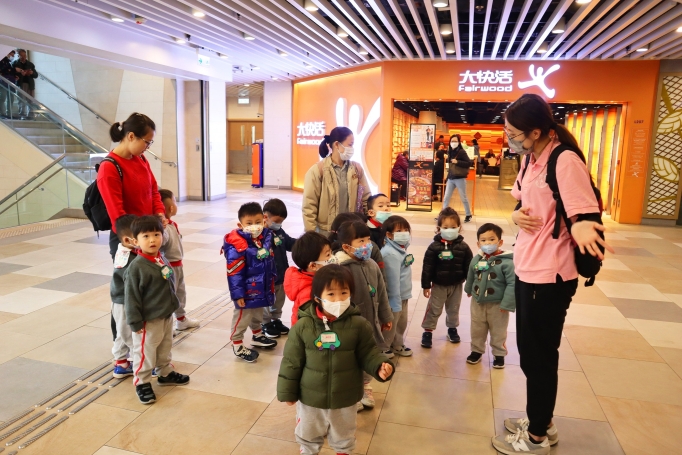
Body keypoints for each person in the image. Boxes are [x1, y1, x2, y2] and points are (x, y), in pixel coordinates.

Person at [491, 94, 613, 455]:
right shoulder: (531, 157)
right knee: (530, 353)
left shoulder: (565, 160)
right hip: (528, 266)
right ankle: (541, 419)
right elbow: (521, 199)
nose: (509, 139)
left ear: (536, 131)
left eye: (513, 133)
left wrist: (583, 227)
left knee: (539, 357)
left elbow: (584, 213)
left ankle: (537, 437)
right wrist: (514, 216)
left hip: (550, 275)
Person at [277, 265, 395, 455]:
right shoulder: (303, 326)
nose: (338, 299)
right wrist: (287, 391)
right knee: (308, 431)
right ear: (317, 297)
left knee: (344, 433)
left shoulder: (359, 325)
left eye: (344, 293)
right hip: (310, 396)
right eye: (331, 294)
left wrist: (380, 365)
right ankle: (308, 451)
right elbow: (291, 362)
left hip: (345, 395)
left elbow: (369, 352)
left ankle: (343, 451)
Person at [99, 113, 166, 343]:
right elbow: (118, 215)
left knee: (148, 290)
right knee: (126, 293)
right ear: (130, 136)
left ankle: (144, 342)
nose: (148, 147)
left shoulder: (141, 159)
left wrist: (159, 213)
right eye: (147, 141)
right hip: (127, 239)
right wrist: (136, 242)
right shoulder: (110, 167)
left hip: (146, 235)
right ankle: (121, 348)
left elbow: (153, 190)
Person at [124, 216, 190, 405]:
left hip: (165, 315)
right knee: (145, 352)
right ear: (136, 241)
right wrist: (135, 322)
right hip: (148, 320)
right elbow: (131, 297)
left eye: (156, 234)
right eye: (146, 236)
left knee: (164, 347)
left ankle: (165, 372)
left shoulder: (161, 258)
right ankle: (142, 382)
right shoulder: (137, 267)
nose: (152, 240)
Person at [334, 220, 392, 411]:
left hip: (370, 322)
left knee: (369, 354)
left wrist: (386, 316)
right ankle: (352, 392)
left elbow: (381, 292)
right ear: (346, 246)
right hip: (349, 325)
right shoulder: (340, 268)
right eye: (361, 241)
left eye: (368, 239)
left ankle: (365, 386)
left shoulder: (372, 264)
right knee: (351, 358)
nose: (367, 245)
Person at [223, 202, 278, 363]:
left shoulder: (265, 237)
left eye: (258, 222)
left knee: (258, 311)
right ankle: (237, 343)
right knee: (243, 316)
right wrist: (238, 294)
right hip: (245, 291)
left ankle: (257, 334)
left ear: (264, 220)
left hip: (261, 286)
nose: (254, 226)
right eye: (249, 223)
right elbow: (234, 272)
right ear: (240, 225)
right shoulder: (237, 244)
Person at [302, 126, 371, 236]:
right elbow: (309, 206)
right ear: (337, 145)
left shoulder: (357, 169)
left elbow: (366, 198)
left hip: (351, 231)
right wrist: (312, 234)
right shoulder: (317, 170)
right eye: (350, 145)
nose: (352, 148)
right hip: (326, 232)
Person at [464, 223, 515, 369]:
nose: (487, 243)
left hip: (498, 305)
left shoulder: (507, 263)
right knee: (477, 328)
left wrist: (507, 303)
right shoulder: (477, 259)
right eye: (483, 240)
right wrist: (469, 289)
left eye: (492, 239)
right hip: (478, 302)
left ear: (500, 242)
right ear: (478, 243)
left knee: (498, 330)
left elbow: (512, 284)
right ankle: (476, 350)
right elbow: (471, 274)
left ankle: (499, 354)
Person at [420, 207, 473, 348]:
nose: (450, 230)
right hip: (438, 285)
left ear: (459, 228)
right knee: (434, 309)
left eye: (453, 227)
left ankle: (452, 329)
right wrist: (426, 285)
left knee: (454, 309)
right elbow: (427, 267)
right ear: (439, 228)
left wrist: (470, 286)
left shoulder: (464, 247)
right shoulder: (434, 247)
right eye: (445, 227)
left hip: (456, 285)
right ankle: (428, 331)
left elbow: (469, 267)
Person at [159, 189, 199, 332]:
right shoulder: (163, 227)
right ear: (171, 208)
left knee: (180, 293)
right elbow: (161, 243)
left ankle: (181, 320)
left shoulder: (172, 224)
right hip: (169, 267)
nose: (176, 204)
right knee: (169, 296)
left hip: (178, 265)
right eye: (175, 201)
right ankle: (166, 326)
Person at [262, 198, 296, 338]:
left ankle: (275, 319)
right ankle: (265, 323)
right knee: (266, 301)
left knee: (279, 300)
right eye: (276, 221)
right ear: (265, 217)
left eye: (281, 222)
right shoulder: (259, 235)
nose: (279, 224)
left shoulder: (279, 231)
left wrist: (303, 243)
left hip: (281, 275)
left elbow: (289, 243)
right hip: (267, 277)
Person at [284, 231, 335, 326]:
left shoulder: (319, 278)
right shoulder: (309, 292)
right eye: (328, 255)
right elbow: (313, 324)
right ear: (313, 265)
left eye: (331, 253)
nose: (333, 257)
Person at [380, 215, 413, 358]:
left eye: (406, 230)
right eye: (399, 231)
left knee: (401, 323)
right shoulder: (390, 254)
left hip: (403, 294)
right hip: (395, 297)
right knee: (391, 323)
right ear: (389, 235)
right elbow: (392, 282)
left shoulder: (400, 249)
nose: (404, 233)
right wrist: (395, 302)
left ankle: (397, 344)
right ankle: (384, 347)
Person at [110, 214, 137, 379]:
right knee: (131, 333)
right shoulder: (129, 260)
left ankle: (121, 363)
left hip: (118, 300)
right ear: (128, 240)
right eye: (141, 236)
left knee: (121, 331)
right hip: (126, 302)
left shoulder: (122, 250)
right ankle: (141, 363)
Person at [442, 134, 473, 223]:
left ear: (459, 142)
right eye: (452, 141)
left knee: (463, 197)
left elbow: (469, 163)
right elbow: (450, 165)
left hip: (460, 178)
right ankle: (443, 215)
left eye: (455, 141)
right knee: (446, 197)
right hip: (451, 177)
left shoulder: (461, 152)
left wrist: (458, 162)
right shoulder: (449, 151)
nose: (453, 143)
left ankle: (468, 214)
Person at [12, 49, 38, 119]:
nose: (24, 57)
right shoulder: (15, 63)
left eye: (25, 55)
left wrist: (32, 73)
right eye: (22, 55)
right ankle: (22, 114)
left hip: (30, 84)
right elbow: (13, 74)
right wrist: (20, 74)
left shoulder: (30, 64)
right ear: (18, 56)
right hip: (21, 83)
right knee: (21, 100)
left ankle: (31, 115)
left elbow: (36, 75)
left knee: (31, 100)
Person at [0, 50, 16, 118]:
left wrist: (14, 75)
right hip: (3, 82)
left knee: (11, 98)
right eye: (11, 55)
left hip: (9, 82)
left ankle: (10, 114)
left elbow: (10, 71)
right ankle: (3, 113)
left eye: (13, 55)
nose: (12, 57)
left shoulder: (9, 63)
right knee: (3, 97)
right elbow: (2, 70)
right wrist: (9, 70)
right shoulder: (2, 61)